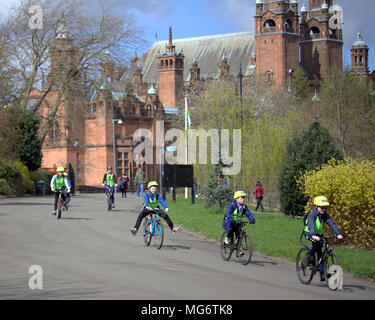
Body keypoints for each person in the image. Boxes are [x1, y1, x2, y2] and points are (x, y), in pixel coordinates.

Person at [302, 196, 343, 282]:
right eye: (322, 207)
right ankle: (308, 257)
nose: (323, 209)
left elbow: (331, 224)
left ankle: (322, 273)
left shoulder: (325, 214)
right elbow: (311, 225)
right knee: (317, 244)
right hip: (309, 233)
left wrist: (338, 233)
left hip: (319, 234)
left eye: (325, 208)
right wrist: (313, 235)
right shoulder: (312, 213)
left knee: (320, 251)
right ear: (316, 206)